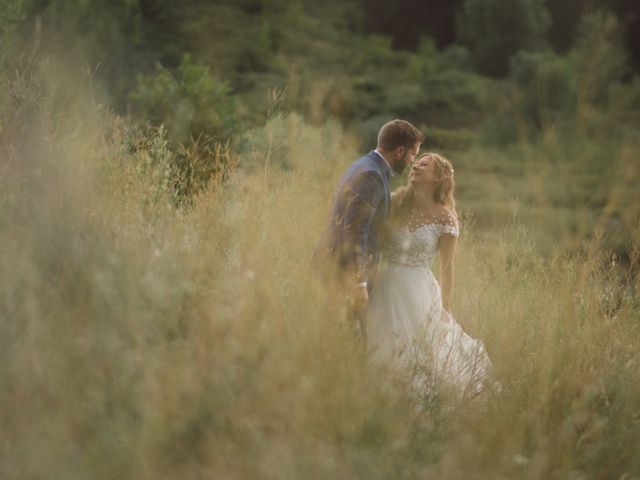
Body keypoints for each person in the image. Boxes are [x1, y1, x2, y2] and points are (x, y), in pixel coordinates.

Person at [367, 153, 494, 398]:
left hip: (419, 292)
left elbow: (448, 269)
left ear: (438, 178)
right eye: (416, 163)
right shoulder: (393, 204)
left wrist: (446, 309)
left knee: (419, 349)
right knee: (384, 347)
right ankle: (383, 398)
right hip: (386, 286)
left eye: (424, 164)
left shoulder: (445, 217)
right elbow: (372, 243)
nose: (415, 165)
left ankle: (420, 402)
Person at [313, 119, 424, 345]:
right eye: (412, 156)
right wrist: (359, 283)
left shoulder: (366, 165)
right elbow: (355, 231)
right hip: (341, 272)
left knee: (344, 340)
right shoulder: (371, 175)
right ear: (400, 151)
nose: (412, 162)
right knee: (347, 343)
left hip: (337, 267)